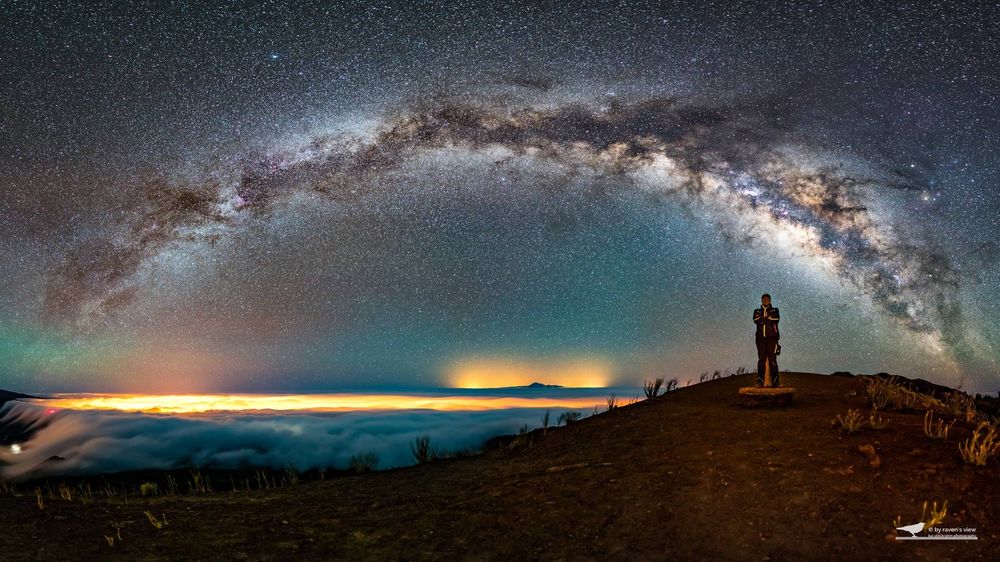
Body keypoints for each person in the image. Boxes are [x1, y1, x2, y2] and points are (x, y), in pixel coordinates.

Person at [753, 293, 780, 387]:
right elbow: (756, 320)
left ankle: (775, 381)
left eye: (767, 299)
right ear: (761, 300)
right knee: (761, 360)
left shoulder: (775, 310)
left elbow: (776, 319)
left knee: (773, 360)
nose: (765, 300)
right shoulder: (756, 311)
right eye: (763, 299)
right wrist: (768, 319)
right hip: (760, 339)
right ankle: (760, 380)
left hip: (772, 338)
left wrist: (763, 320)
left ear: (770, 300)